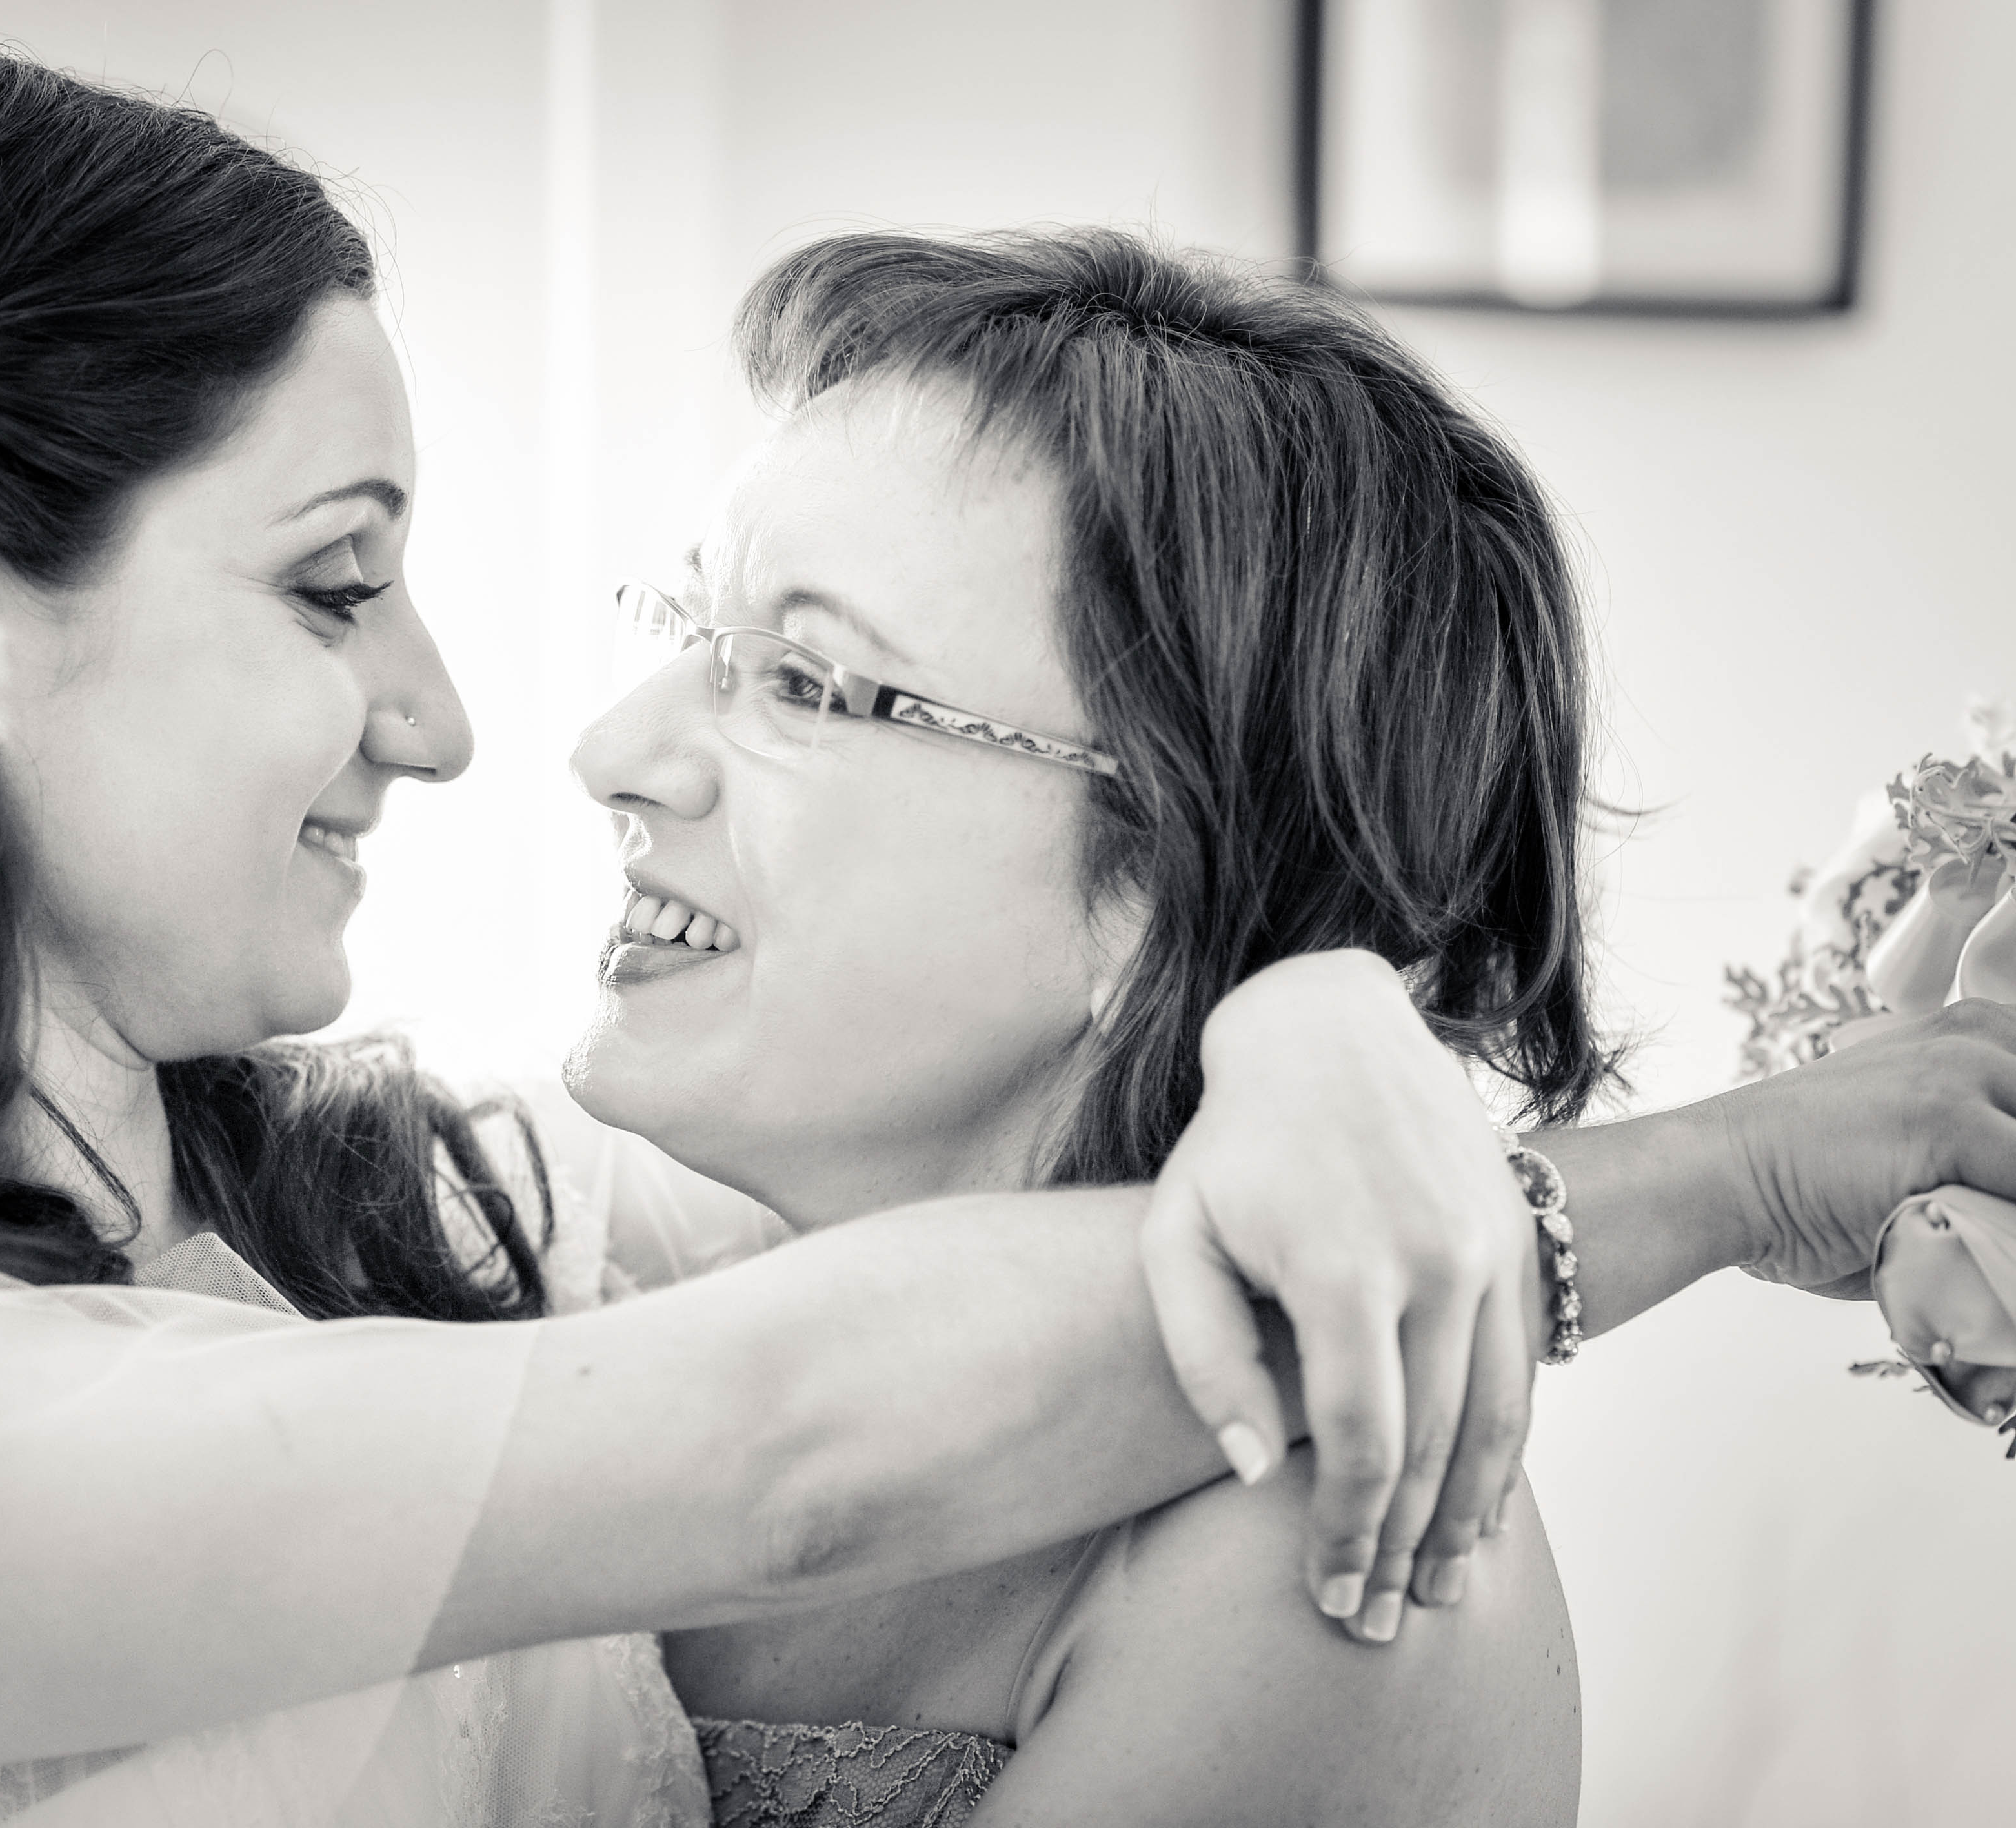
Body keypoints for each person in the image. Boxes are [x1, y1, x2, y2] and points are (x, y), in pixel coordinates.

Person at [0, 54, 2004, 1825]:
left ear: (1154, 868)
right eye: (330, 582)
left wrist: (1314, 1017)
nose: (518, 732)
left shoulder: (405, 1231)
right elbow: (793, 1435)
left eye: (801, 676)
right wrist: (1741, 1160)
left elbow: (930, 1318)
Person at [560, 225, 2016, 1826]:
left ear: (1160, 877)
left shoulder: (1322, 1565)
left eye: (803, 682)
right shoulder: (572, 1258)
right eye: (687, 629)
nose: (612, 749)